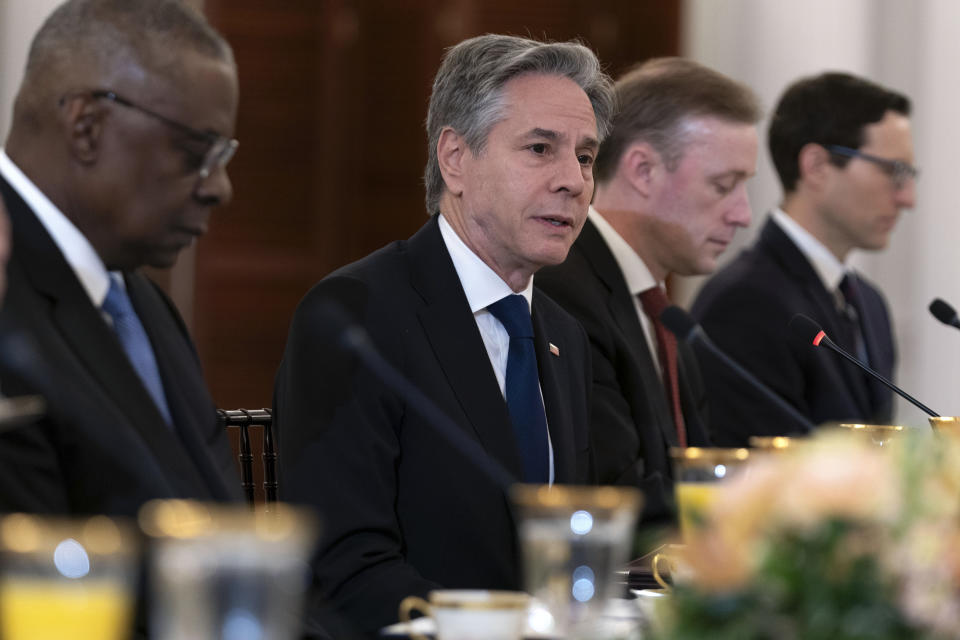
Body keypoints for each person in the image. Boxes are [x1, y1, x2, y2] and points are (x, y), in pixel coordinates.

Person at [275, 34, 614, 636]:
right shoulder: (357, 314)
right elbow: (343, 565)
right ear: (455, 159)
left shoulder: (565, 336)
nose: (573, 181)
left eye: (585, 158)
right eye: (540, 149)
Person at [0, 0, 242, 516]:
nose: (220, 188)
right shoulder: (6, 291)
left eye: (223, 157)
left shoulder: (144, 308)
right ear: (86, 126)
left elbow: (215, 527)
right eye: (196, 152)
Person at [537, 57, 759, 520]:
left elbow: (695, 467)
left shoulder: (662, 310)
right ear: (642, 171)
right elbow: (617, 496)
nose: (743, 215)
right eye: (723, 186)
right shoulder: (562, 292)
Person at [692, 72, 914, 445]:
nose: (908, 197)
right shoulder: (745, 302)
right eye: (893, 171)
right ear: (816, 166)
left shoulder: (869, 303)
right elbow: (758, 482)